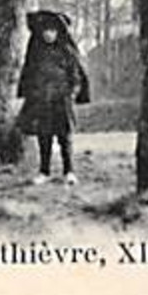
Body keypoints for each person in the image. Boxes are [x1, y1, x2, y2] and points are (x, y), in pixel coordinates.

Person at [16, 11, 91, 185]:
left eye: (52, 30)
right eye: (45, 31)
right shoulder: (36, 53)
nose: (48, 34)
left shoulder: (67, 52)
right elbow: (29, 74)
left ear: (58, 32)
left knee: (65, 137)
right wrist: (32, 94)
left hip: (62, 100)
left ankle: (69, 171)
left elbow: (76, 76)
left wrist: (71, 93)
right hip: (42, 100)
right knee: (44, 136)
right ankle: (44, 171)